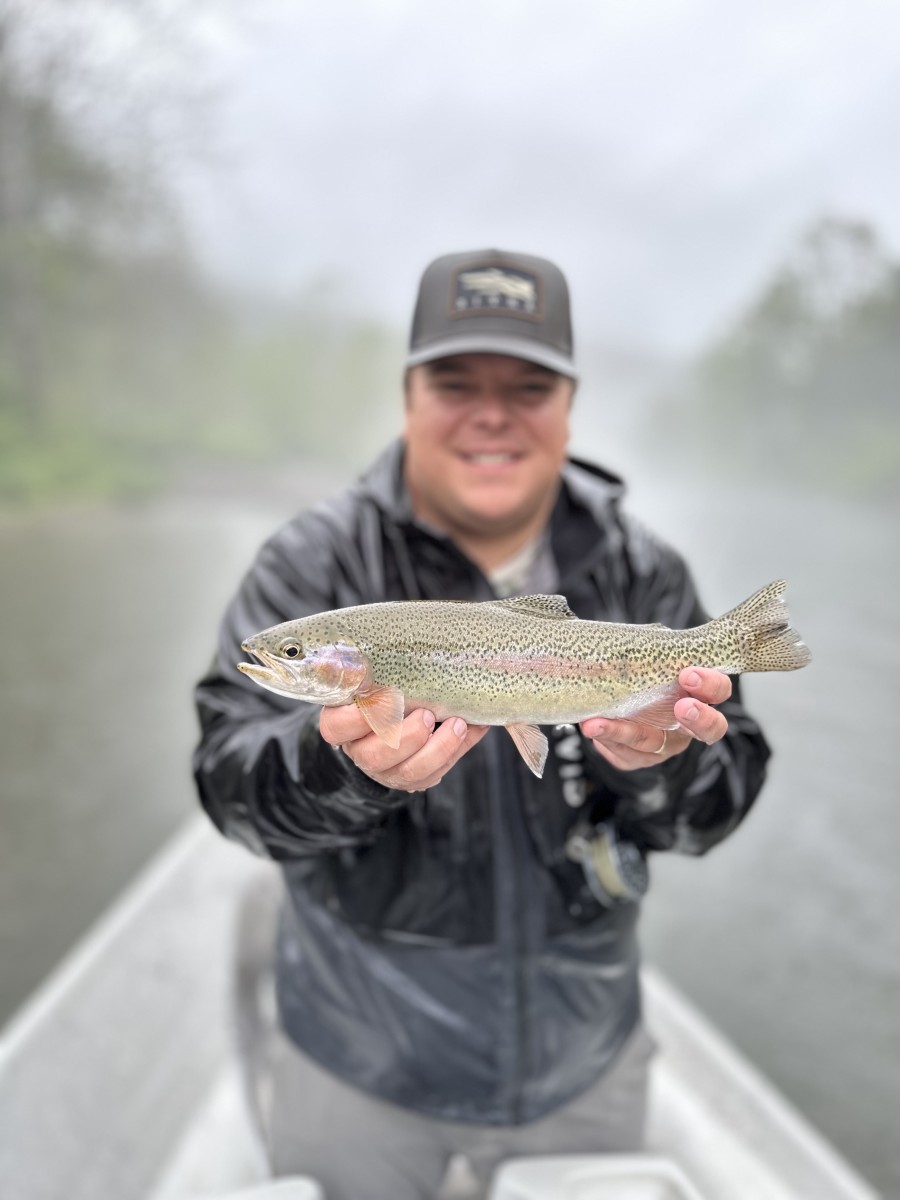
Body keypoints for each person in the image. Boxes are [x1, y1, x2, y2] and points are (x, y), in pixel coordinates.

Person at [193, 248, 771, 1200]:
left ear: (570, 404)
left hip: (584, 1057)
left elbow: (718, 803)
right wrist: (337, 768)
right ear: (410, 393)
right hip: (356, 1057)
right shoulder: (312, 566)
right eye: (456, 382)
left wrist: (658, 764)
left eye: (528, 385)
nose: (491, 413)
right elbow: (228, 778)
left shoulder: (645, 576)